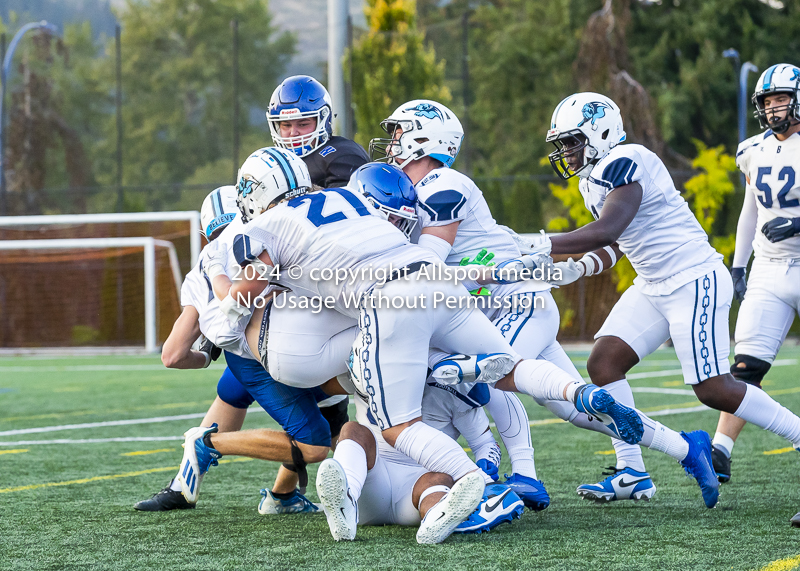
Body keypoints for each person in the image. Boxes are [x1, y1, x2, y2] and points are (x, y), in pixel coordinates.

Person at [369, 100, 675, 506]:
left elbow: (426, 268)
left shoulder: (442, 185)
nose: (392, 144)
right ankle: (682, 448)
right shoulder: (416, 191)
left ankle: (522, 475)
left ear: (424, 140)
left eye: (398, 133)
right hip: (497, 310)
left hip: (518, 303)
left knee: (490, 374)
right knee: (570, 407)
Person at [543, 91, 800, 509]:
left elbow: (607, 229)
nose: (567, 152)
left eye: (573, 141)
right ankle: (633, 472)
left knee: (713, 388)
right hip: (654, 283)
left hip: (692, 278)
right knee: (603, 363)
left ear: (600, 132)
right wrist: (581, 266)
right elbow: (616, 243)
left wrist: (535, 243)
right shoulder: (594, 179)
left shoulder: (628, 159)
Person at [714, 63, 800, 487]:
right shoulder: (753, 149)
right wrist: (737, 264)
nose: (773, 108)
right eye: (767, 101)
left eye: (780, 98)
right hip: (769, 267)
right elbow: (750, 211)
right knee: (745, 369)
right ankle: (721, 450)